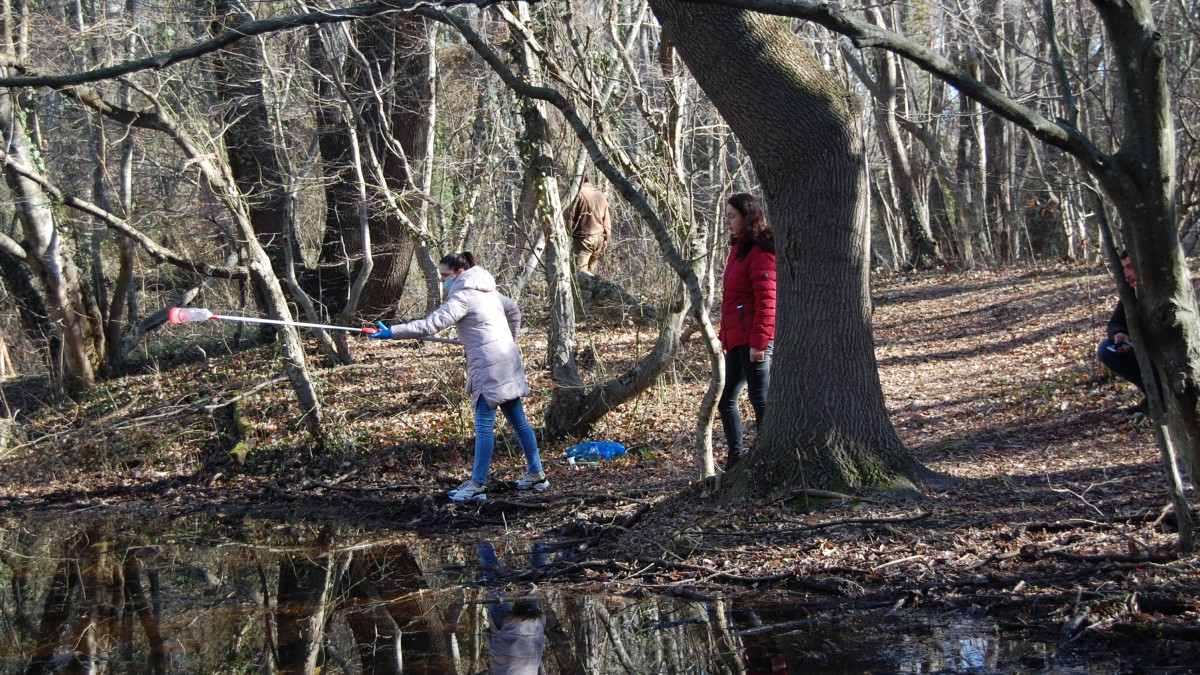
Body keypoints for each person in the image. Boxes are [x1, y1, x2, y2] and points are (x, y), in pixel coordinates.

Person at [368, 252, 547, 501]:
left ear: (459, 273)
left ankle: (477, 485)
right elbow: (514, 311)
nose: (443, 281)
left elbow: (429, 326)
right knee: (519, 421)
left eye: (445, 276)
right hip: (507, 360)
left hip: (488, 367)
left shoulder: (463, 296)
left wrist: (392, 333)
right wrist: (509, 340)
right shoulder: (489, 291)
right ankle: (536, 474)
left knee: (484, 426)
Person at [718, 193, 776, 470]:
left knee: (760, 398)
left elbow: (767, 300)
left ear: (747, 216)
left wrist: (760, 342)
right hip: (737, 339)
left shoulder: (761, 251)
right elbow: (731, 299)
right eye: (727, 216)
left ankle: (769, 459)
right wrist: (724, 337)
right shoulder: (738, 249)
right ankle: (736, 460)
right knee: (726, 400)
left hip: (754, 340)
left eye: (732, 216)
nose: (727, 221)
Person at [478, 540, 547, 675]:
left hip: (531, 629)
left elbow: (541, 669)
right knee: (494, 587)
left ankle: (540, 540)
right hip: (506, 632)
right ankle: (483, 542)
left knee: (534, 583)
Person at [1097, 252, 1149, 414]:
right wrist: (1120, 334)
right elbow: (1115, 322)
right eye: (1124, 269)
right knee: (1106, 349)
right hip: (1141, 347)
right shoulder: (1130, 291)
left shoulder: (1164, 289)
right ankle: (1155, 395)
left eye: (1130, 267)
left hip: (1165, 352)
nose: (1127, 275)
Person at [566, 170, 612, 275]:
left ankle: (579, 291)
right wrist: (606, 239)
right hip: (599, 238)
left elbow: (568, 215)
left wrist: (568, 233)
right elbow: (607, 219)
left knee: (579, 274)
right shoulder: (600, 194)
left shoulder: (577, 193)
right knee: (591, 275)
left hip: (584, 239)